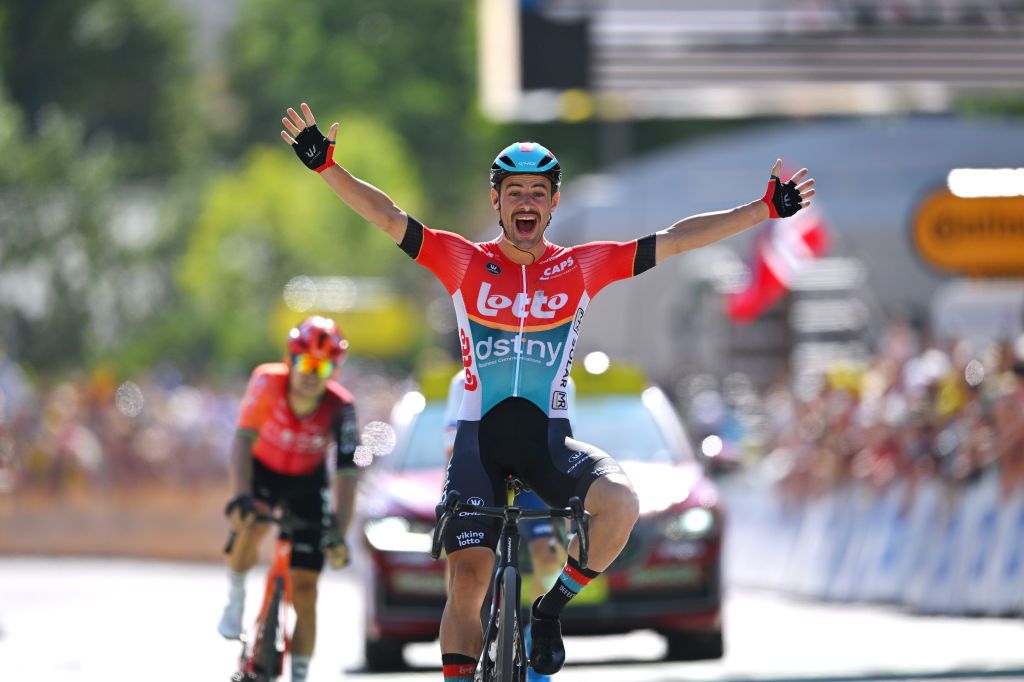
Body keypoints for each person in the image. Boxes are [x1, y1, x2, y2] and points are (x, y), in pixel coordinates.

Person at [280, 102, 814, 680]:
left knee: (622, 504)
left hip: (549, 443)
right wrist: (326, 168)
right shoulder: (462, 261)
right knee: (468, 581)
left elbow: (678, 239)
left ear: (555, 203)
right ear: (497, 202)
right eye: (515, 193)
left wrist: (762, 209)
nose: (527, 202)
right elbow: (388, 217)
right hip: (479, 445)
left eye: (538, 192)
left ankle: (550, 608)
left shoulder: (582, 268)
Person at [218, 315, 360, 682]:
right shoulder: (267, 381)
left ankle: (299, 676)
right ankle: (235, 597)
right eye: (305, 362)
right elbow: (242, 440)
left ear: (334, 370)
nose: (312, 373)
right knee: (250, 523)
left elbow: (346, 474)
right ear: (290, 359)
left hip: (308, 485)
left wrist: (339, 532)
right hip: (262, 472)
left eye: (323, 365)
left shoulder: (342, 407)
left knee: (307, 591)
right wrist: (241, 496)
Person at [442, 370, 575, 682]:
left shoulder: (558, 375)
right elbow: (452, 449)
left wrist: (567, 518)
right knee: (463, 577)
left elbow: (565, 445)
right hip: (482, 471)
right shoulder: (463, 380)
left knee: (548, 556)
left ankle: (533, 647)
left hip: (534, 477)